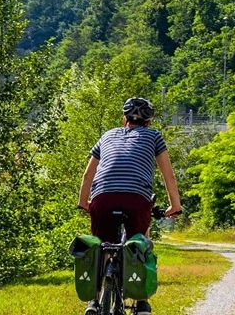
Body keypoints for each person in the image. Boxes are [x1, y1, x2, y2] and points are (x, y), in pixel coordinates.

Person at [78, 96, 182, 315]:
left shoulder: (107, 135)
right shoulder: (154, 137)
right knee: (140, 241)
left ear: (123, 118)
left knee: (103, 245)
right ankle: (142, 301)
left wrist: (83, 202)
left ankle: (94, 302)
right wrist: (175, 205)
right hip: (136, 199)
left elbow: (89, 173)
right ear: (149, 122)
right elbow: (168, 175)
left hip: (102, 198)